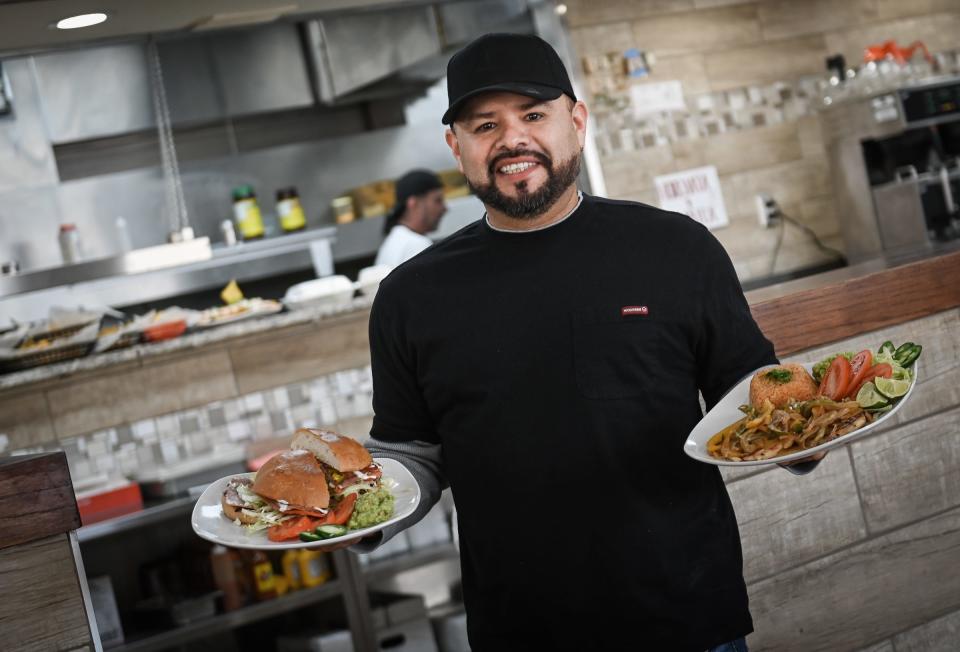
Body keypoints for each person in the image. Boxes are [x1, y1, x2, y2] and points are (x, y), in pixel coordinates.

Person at [358, 33, 791, 651]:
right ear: (458, 148)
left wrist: (803, 436)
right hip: (522, 628)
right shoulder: (409, 296)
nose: (512, 140)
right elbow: (413, 453)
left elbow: (750, 392)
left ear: (577, 122)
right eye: (485, 125)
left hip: (684, 615)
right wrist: (349, 515)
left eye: (533, 115)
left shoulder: (675, 249)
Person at [374, 169, 447, 268]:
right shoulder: (416, 245)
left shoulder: (395, 241)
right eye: (437, 200)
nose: (444, 208)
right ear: (413, 203)